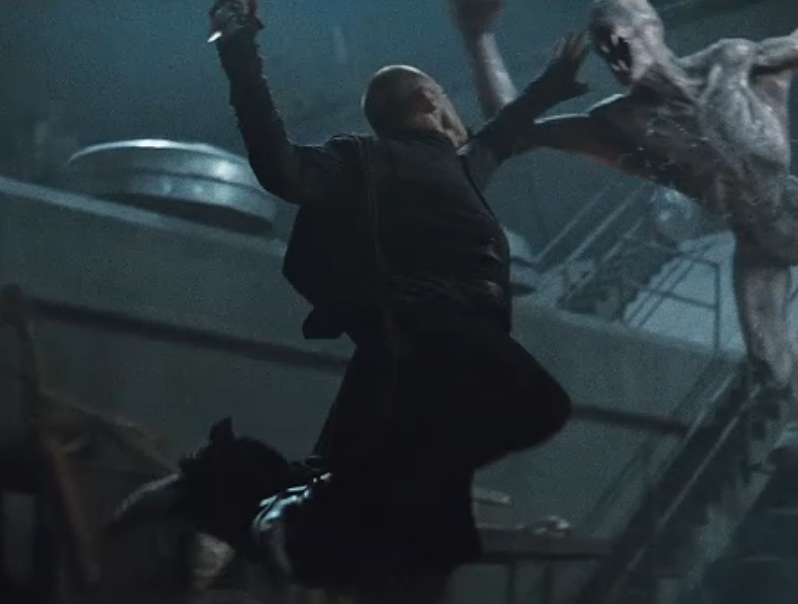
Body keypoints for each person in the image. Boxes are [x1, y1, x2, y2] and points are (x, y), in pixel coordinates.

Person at [452, 0, 798, 462]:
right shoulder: (617, 122)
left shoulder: (731, 62)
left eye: (621, 36)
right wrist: (479, 38)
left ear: (652, 27)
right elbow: (514, 129)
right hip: (754, 241)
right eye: (603, 47)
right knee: (771, 369)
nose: (614, 52)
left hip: (797, 205)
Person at [204, 0, 589, 600]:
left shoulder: (463, 169)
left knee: (412, 557)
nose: (461, 113)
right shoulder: (364, 161)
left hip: (445, 372)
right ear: (431, 101)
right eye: (449, 98)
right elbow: (282, 167)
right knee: (538, 404)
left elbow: (503, 132)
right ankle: (307, 507)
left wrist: (549, 87)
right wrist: (238, 48)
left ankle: (317, 508)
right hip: (422, 344)